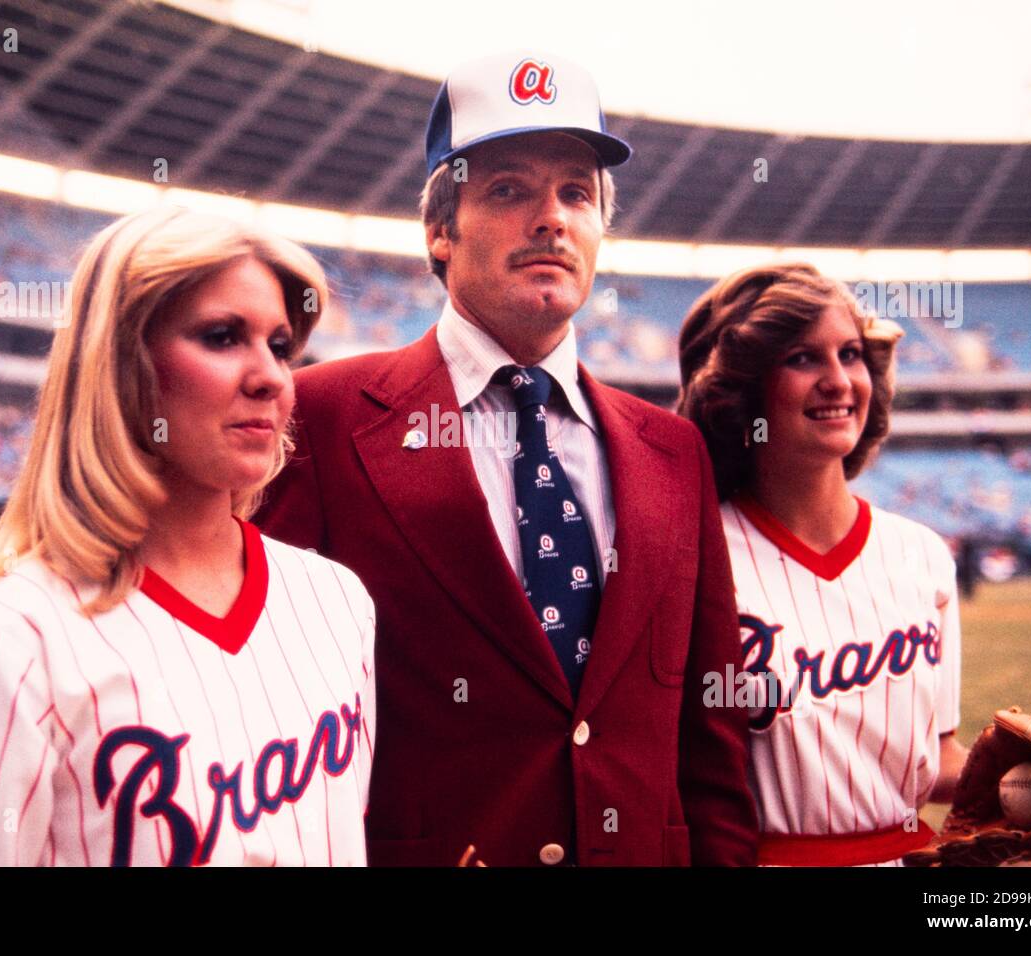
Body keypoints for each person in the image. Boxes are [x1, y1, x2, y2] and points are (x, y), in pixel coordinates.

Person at [256, 52, 757, 867]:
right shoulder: (322, 416)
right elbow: (271, 706)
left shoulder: (673, 451)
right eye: (507, 190)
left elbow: (712, 732)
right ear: (439, 230)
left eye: (576, 194)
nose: (551, 219)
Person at [0, 208, 376, 866]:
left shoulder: (337, 600)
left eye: (280, 347)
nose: (272, 378)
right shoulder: (9, 638)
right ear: (119, 363)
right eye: (222, 337)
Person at [677, 263, 968, 866]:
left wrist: (1024, 781)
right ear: (742, 388)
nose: (839, 381)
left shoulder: (921, 555)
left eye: (851, 354)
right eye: (803, 359)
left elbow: (937, 763)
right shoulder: (693, 558)